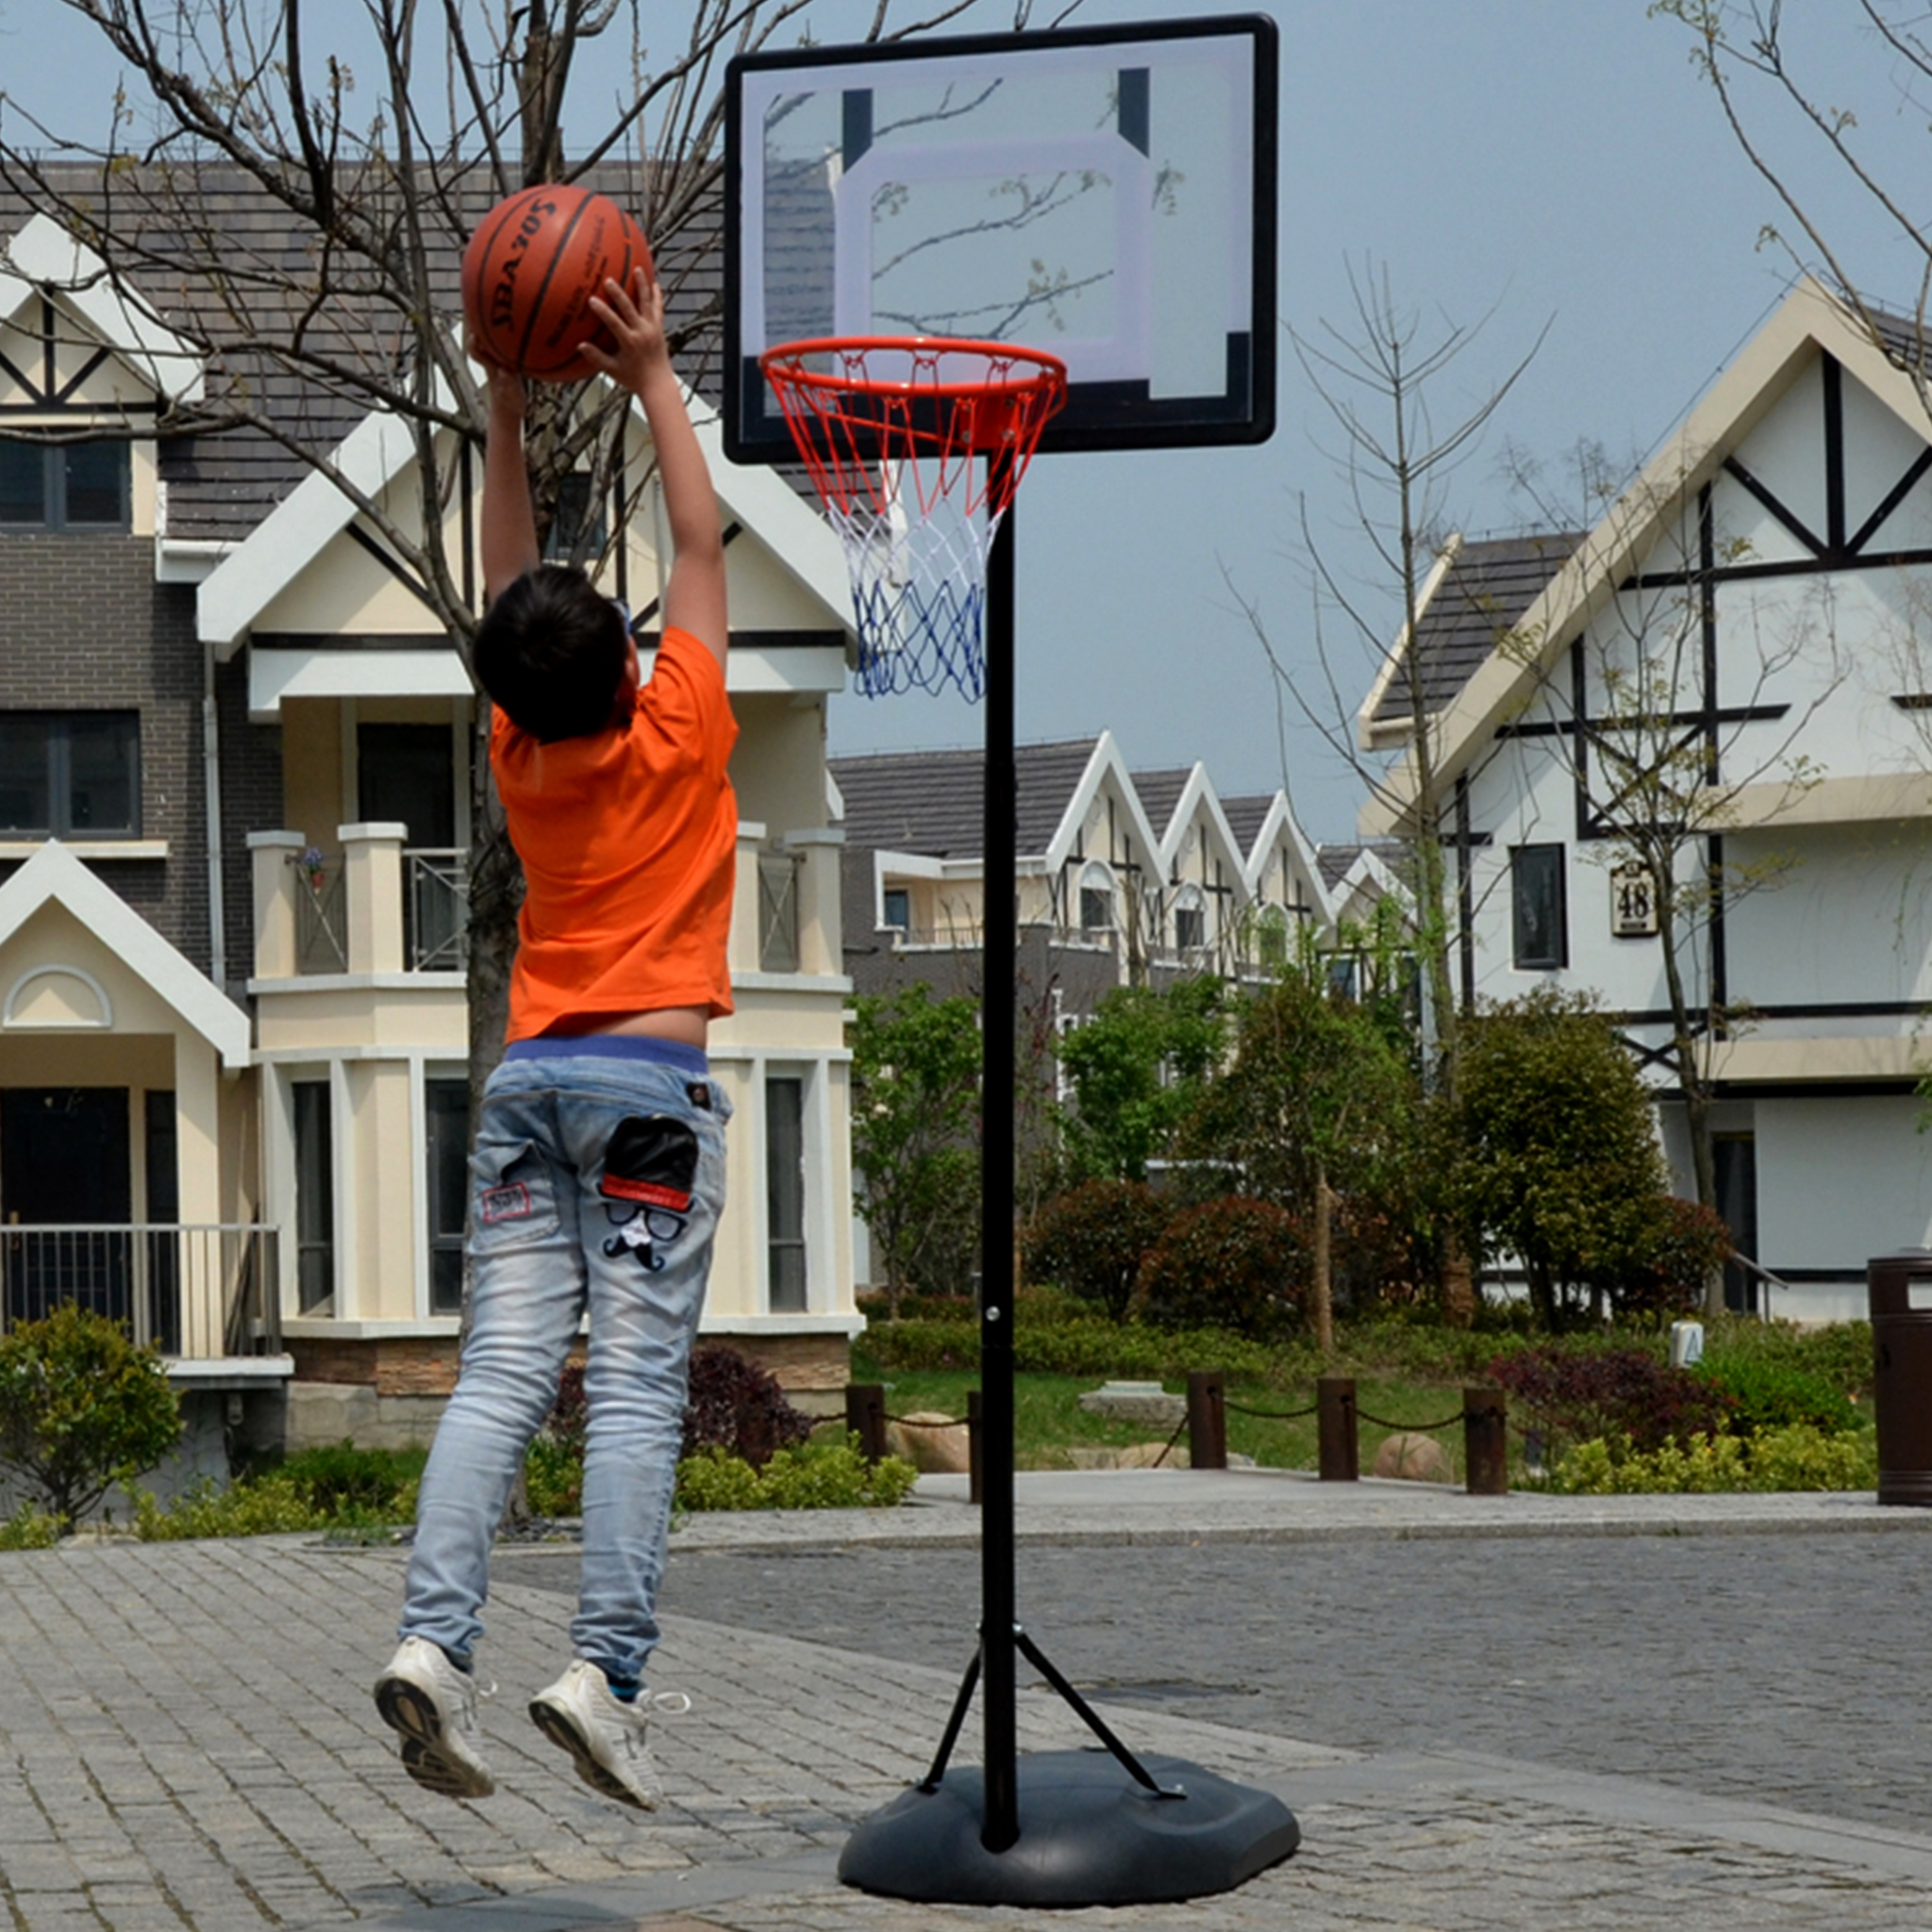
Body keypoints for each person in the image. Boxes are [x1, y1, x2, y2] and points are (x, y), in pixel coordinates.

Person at [373, 265, 735, 1810]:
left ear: (507, 690)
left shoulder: (519, 756)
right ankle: (604, 1676)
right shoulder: (681, 725)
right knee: (637, 1391)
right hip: (651, 1089)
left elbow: (502, 582)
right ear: (625, 659)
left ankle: (434, 1647)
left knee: (499, 1378)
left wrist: (504, 401)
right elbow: (702, 534)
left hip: (528, 1089)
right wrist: (651, 370)